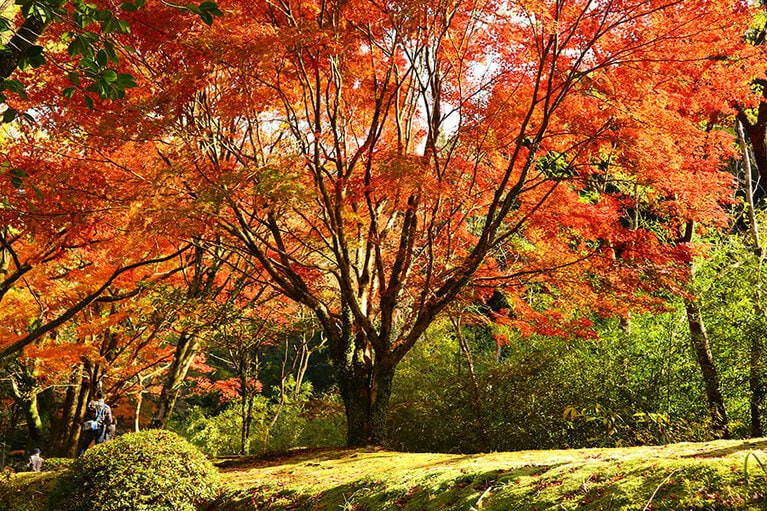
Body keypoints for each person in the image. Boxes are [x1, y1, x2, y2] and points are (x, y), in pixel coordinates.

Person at [76, 391, 113, 457]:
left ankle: (79, 458)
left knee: (85, 444)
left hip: (90, 426)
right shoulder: (106, 407)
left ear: (97, 396)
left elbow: (86, 415)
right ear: (104, 397)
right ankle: (95, 460)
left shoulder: (91, 404)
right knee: (98, 445)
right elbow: (109, 420)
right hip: (100, 427)